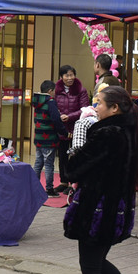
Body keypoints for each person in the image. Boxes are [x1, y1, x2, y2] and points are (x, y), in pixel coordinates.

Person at [63, 85, 138, 274]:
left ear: (114, 108)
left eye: (99, 103)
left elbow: (73, 169)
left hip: (97, 209)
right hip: (115, 207)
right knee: (98, 261)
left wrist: (76, 145)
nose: (95, 107)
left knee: (90, 264)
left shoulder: (107, 133)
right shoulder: (128, 131)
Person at [52, 65, 90, 196]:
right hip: (62, 129)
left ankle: (74, 183)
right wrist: (58, 115)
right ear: (61, 77)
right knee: (62, 156)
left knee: (75, 156)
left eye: (72, 75)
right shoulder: (56, 91)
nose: (70, 78)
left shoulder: (81, 90)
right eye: (67, 75)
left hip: (76, 128)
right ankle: (63, 182)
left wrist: (69, 117)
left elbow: (85, 110)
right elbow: (53, 106)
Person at [32, 80, 66, 195]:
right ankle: (49, 189)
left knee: (38, 163)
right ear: (50, 91)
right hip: (49, 138)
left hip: (39, 137)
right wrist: (64, 132)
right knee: (48, 164)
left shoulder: (37, 101)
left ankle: (33, 187)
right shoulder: (50, 102)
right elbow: (56, 119)